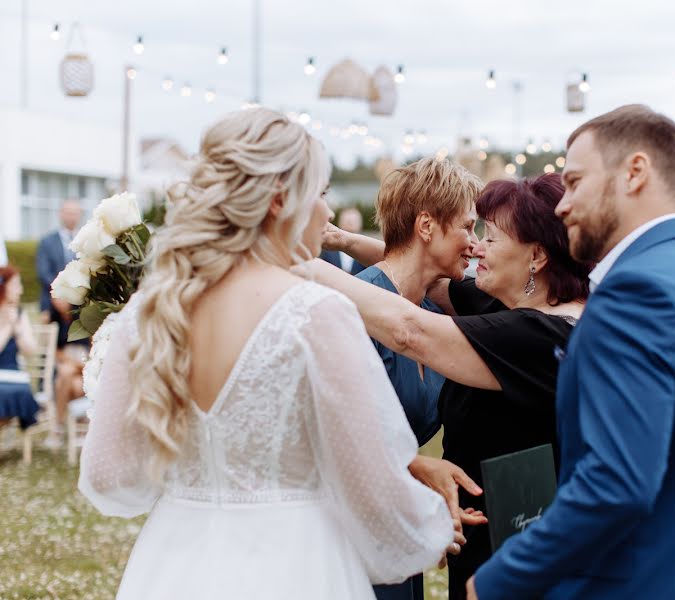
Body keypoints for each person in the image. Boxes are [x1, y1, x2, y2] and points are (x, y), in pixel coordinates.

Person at [77, 108, 456, 600]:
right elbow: (375, 494)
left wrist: (192, 486)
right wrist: (433, 527)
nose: (325, 213)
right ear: (279, 201)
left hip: (173, 564)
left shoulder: (150, 312)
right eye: (319, 194)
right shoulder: (315, 313)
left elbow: (108, 475)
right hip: (296, 563)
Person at [468, 105, 675, 599]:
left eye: (575, 181)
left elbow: (616, 485)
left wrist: (500, 579)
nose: (562, 205)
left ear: (634, 172)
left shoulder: (638, 292)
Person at [311, 173, 589, 600]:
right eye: (472, 230)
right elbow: (425, 277)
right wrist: (346, 242)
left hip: (517, 549)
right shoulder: (509, 303)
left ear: (535, 256)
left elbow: (409, 330)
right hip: (481, 534)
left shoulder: (543, 334)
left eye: (491, 238)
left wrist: (286, 259)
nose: (477, 245)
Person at [361, 157, 483, 600]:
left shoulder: (433, 321)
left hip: (402, 533)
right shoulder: (359, 309)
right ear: (427, 226)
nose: (475, 243)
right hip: (355, 541)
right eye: (467, 227)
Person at [36, 199, 84, 347]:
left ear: (80, 215)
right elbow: (43, 272)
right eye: (68, 212)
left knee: (79, 350)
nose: (71, 216)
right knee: (52, 349)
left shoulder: (86, 241)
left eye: (75, 213)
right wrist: (60, 296)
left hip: (79, 305)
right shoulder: (47, 241)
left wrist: (73, 296)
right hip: (52, 303)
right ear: (61, 214)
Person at [0, 266, 40, 430]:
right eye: (16, 285)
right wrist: (6, 326)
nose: (21, 290)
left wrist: (17, 329)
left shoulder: (19, 313)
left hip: (12, 374)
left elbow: (30, 351)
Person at [321, 207, 367, 274]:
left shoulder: (365, 247)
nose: (350, 223)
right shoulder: (328, 246)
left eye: (353, 220)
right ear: (340, 222)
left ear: (360, 223)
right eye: (347, 220)